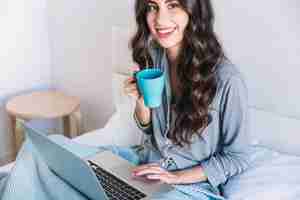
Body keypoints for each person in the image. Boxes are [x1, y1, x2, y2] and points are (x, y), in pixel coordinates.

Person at [123, 0, 253, 199]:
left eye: (172, 5)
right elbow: (150, 130)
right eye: (152, 6)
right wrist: (141, 104)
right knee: (66, 162)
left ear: (193, 11)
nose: (160, 19)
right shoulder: (154, 56)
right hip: (146, 165)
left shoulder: (227, 81)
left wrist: (176, 177)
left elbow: (238, 157)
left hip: (189, 187)